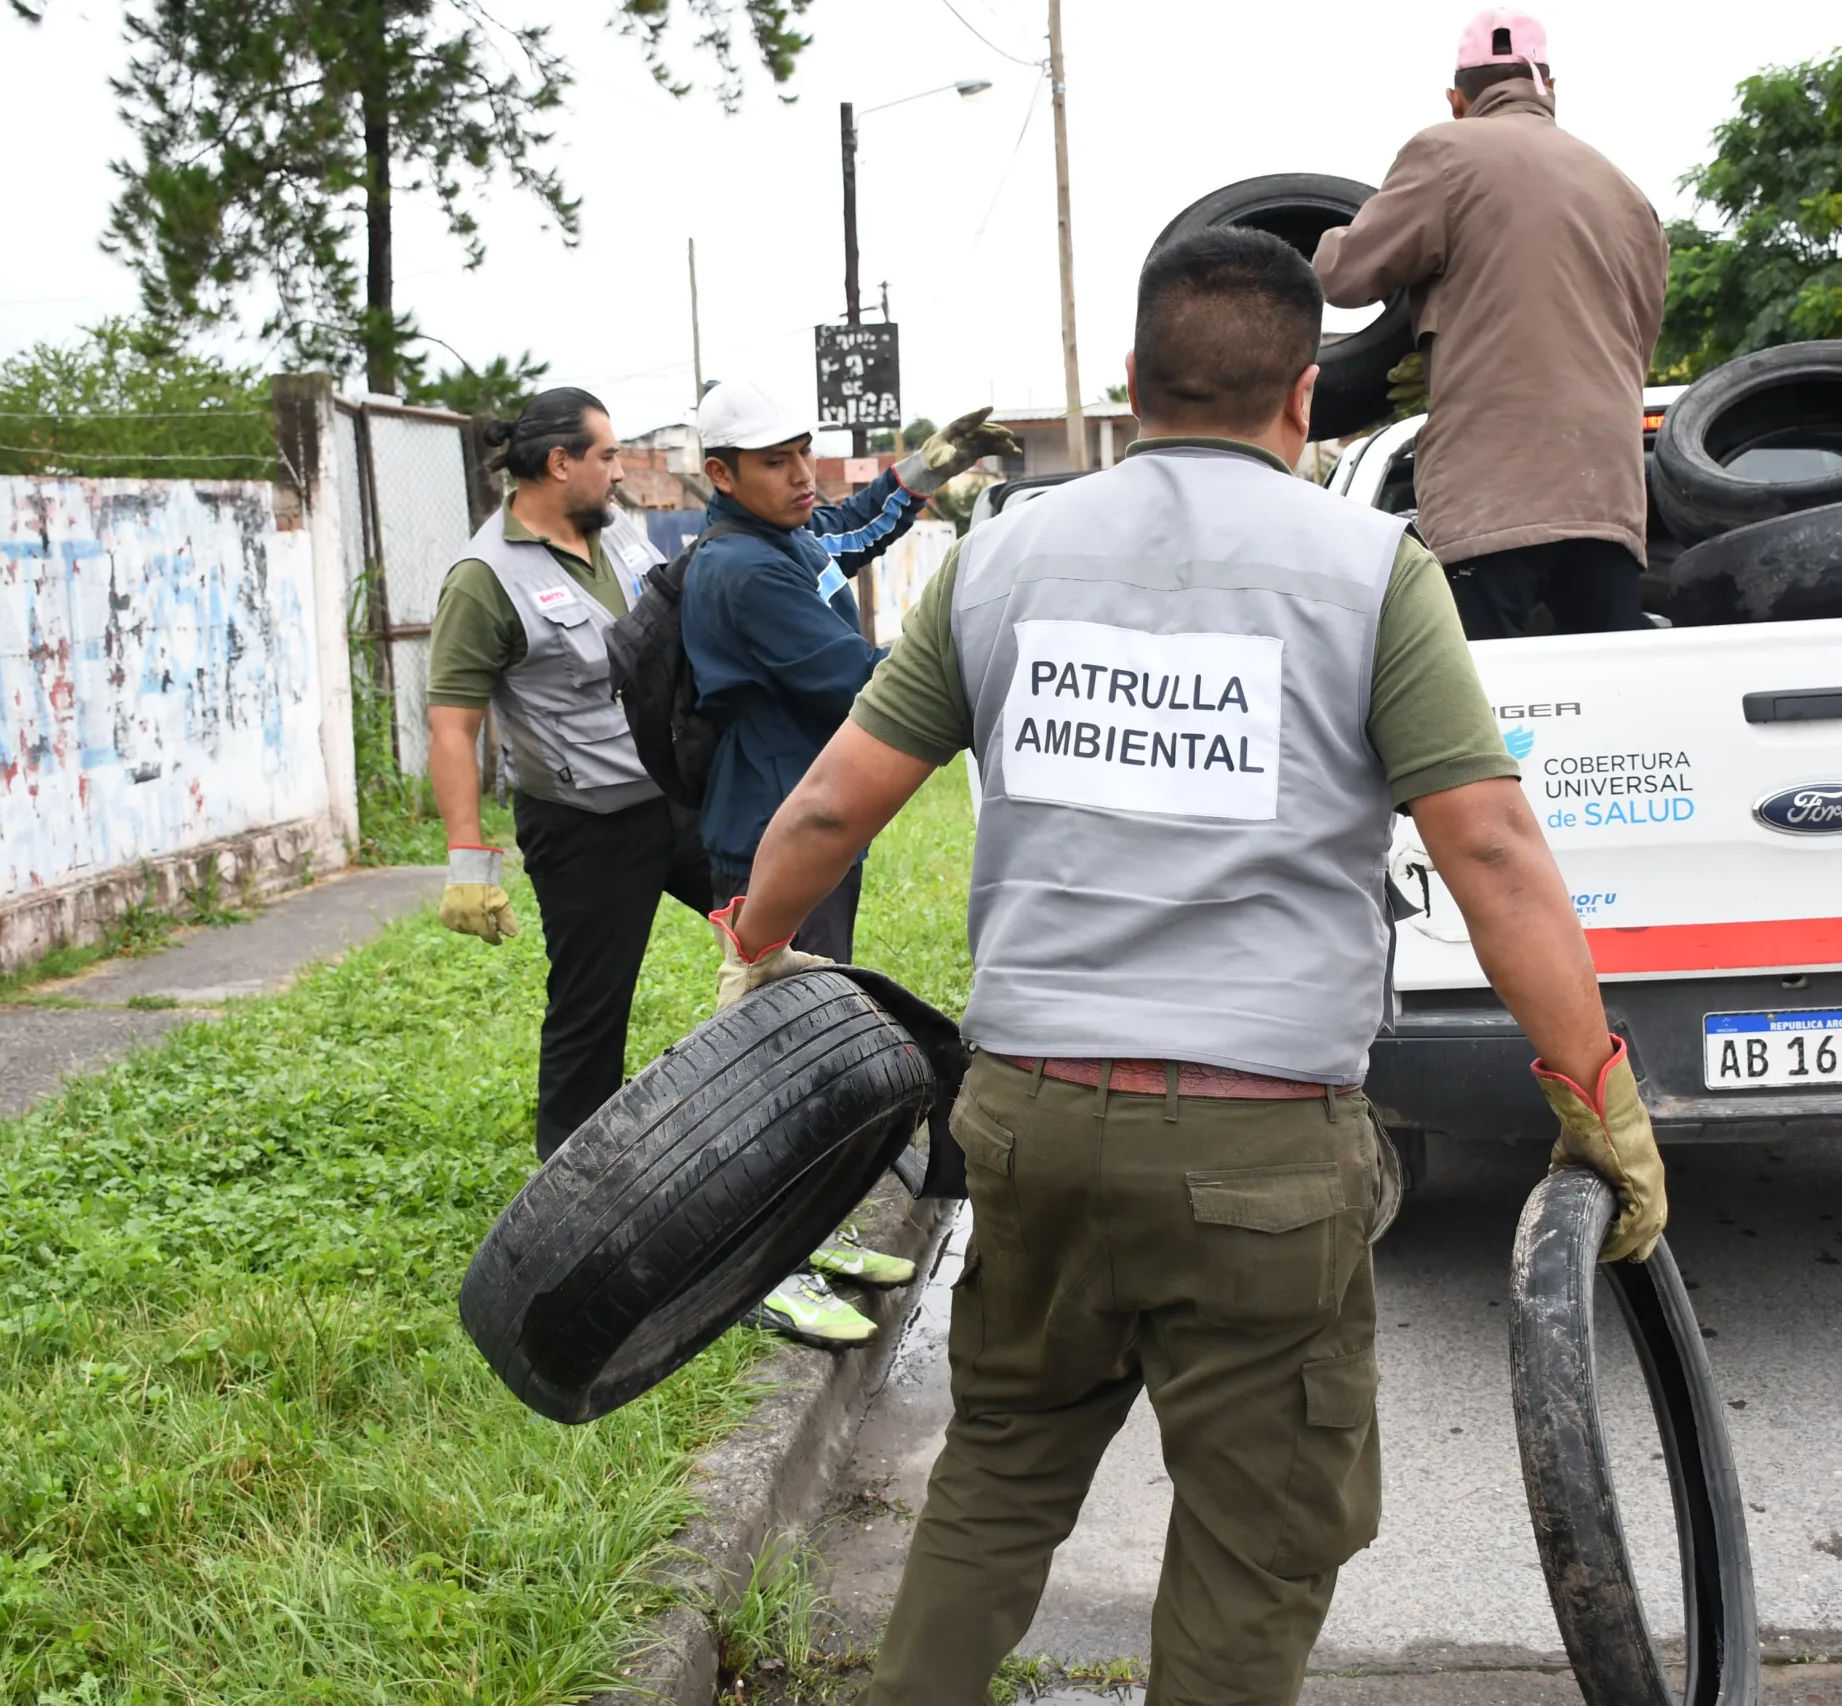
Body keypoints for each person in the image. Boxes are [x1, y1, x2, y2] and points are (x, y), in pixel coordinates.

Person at [709, 230, 1667, 1706]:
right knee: (1255, 1538)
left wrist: (759, 942)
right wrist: (1593, 1089)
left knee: (999, 1480)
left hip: (1030, 1128)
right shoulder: (1369, 569)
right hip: (1262, 1155)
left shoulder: (1005, 554)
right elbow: (1490, 853)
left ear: (1138, 383)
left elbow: (836, 802)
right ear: (1302, 398)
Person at [687, 379, 1021, 1350]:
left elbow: (843, 531)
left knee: (805, 1035)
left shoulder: (782, 537)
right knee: (769, 1059)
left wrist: (921, 471)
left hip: (814, 823)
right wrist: (985, 667)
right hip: (774, 832)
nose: (800, 475)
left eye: (803, 451)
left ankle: (807, 1231)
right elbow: (867, 680)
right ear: (720, 474)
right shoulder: (742, 571)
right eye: (774, 461)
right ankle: (763, 1267)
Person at [1313, 6, 1668, 641]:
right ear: (1551, 88)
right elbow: (1632, 343)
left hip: (1492, 500)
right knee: (1611, 710)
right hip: (1609, 501)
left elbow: (1344, 276)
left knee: (1483, 714)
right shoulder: (1629, 194)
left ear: (1457, 99)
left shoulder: (1444, 152)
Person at [425, 389, 715, 1161]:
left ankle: (808, 1112)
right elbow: (453, 725)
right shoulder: (485, 578)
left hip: (679, 802)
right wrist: (466, 860)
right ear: (560, 464)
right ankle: (572, 1193)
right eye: (608, 457)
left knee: (776, 930)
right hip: (587, 830)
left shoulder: (620, 540)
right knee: (591, 1013)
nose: (619, 473)